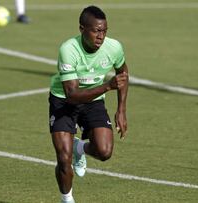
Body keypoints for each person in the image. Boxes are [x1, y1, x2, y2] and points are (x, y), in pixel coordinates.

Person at [48, 5, 129, 203]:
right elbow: (72, 95)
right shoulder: (68, 50)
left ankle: (80, 148)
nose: (101, 36)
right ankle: (66, 199)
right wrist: (107, 87)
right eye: (96, 31)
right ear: (82, 28)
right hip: (63, 102)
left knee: (104, 151)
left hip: (93, 102)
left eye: (104, 31)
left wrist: (121, 110)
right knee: (63, 159)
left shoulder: (114, 47)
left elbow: (123, 74)